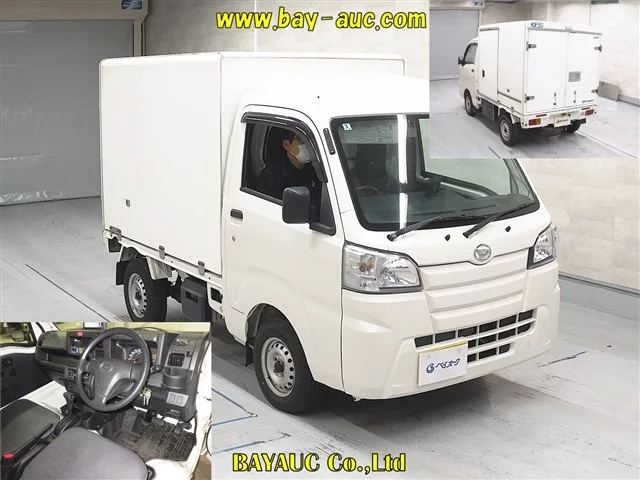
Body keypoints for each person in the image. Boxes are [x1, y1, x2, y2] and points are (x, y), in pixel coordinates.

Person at [256, 128, 321, 202]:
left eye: (309, 141)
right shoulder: (270, 177)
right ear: (286, 145)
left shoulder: (317, 171)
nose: (307, 145)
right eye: (301, 140)